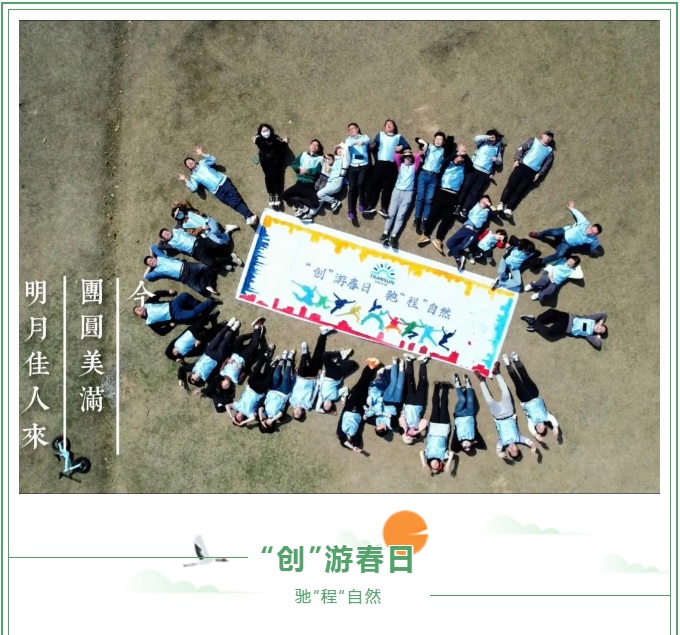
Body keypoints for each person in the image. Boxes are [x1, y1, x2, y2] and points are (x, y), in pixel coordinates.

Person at [176, 146, 258, 226]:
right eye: (187, 164)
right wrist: (186, 180)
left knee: (235, 199)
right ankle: (248, 216)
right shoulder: (193, 177)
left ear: (194, 161)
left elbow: (213, 160)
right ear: (188, 168)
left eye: (190, 161)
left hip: (224, 183)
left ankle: (250, 215)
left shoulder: (202, 163)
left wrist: (202, 154)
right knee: (232, 204)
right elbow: (194, 188)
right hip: (217, 192)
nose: (189, 163)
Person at [475, 362, 539, 461]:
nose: (513, 449)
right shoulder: (519, 438)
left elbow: (498, 449)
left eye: (511, 452)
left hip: (498, 416)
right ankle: (496, 373)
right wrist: (533, 446)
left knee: (489, 400)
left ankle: (481, 380)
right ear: (518, 448)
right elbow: (529, 442)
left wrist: (499, 453)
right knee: (506, 393)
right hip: (509, 412)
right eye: (515, 451)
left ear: (508, 450)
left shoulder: (502, 442)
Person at [502, 352, 560, 444]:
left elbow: (531, 429)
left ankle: (507, 364)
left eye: (537, 429)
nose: (538, 428)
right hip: (535, 394)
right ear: (545, 426)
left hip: (525, 399)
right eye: (541, 429)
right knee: (525, 376)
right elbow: (553, 420)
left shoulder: (532, 422)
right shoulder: (546, 417)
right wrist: (555, 427)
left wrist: (536, 435)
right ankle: (516, 359)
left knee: (516, 381)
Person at [496, 131, 555, 218]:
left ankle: (509, 208)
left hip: (532, 172)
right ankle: (501, 203)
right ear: (542, 135)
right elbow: (521, 148)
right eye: (547, 135)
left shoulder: (549, 151)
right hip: (521, 166)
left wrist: (539, 174)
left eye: (550, 137)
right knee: (510, 186)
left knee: (520, 191)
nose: (548, 138)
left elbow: (546, 165)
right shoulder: (533, 140)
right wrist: (516, 160)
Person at [424, 145, 470, 253]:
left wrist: (465, 155)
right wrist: (456, 153)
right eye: (458, 156)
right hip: (442, 192)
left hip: (453, 195)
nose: (460, 158)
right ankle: (426, 234)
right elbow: (445, 160)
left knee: (447, 219)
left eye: (462, 157)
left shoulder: (464, 167)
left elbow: (470, 164)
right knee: (433, 214)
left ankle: (439, 239)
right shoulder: (447, 164)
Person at [529, 200, 602, 265]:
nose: (591, 232)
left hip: (567, 244)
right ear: (591, 226)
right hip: (563, 233)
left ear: (595, 235)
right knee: (554, 232)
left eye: (593, 233)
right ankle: (538, 234)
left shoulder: (593, 240)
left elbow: (594, 247)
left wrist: (592, 250)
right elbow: (578, 215)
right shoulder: (584, 223)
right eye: (592, 229)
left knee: (560, 255)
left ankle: (540, 261)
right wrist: (571, 208)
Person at [177, 319, 240, 392]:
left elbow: (181, 369)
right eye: (195, 381)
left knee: (218, 337)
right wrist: (201, 390)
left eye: (192, 379)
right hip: (217, 357)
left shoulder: (194, 368)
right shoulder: (206, 378)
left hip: (208, 352)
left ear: (191, 375)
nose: (195, 379)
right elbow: (211, 387)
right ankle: (233, 329)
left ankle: (228, 326)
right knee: (223, 344)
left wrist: (180, 379)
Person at [366, 119, 411, 216]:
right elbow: (373, 145)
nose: (389, 125)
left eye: (391, 124)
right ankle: (370, 206)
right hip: (379, 163)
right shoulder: (380, 135)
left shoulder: (398, 137)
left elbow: (407, 146)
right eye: (387, 124)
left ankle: (384, 208)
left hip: (391, 165)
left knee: (387, 187)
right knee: (375, 185)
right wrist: (371, 145)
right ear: (384, 127)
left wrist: (401, 147)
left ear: (394, 127)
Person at [379, 148, 422, 249]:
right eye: (406, 156)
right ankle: (385, 232)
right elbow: (396, 156)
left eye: (409, 156)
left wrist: (411, 154)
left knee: (400, 216)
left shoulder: (414, 167)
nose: (408, 158)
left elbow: (417, 156)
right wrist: (404, 154)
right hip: (397, 191)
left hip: (408, 193)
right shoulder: (400, 166)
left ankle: (393, 236)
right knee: (391, 213)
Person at [289, 327, 335, 421]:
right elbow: (315, 391)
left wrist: (294, 375)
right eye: (298, 414)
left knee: (302, 364)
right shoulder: (309, 405)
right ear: (302, 413)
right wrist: (318, 377)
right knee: (318, 355)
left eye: (295, 413)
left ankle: (304, 352)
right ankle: (323, 334)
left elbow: (292, 387)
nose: (297, 412)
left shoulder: (291, 401)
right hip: (312, 377)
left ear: (293, 411)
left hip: (301, 377)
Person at [456, 130, 504, 217]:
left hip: (484, 173)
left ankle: (464, 210)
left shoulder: (497, 148)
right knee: (465, 187)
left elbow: (499, 162)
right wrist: (488, 137)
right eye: (490, 136)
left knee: (474, 192)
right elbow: (476, 138)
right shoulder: (482, 142)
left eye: (493, 137)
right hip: (474, 168)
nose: (491, 139)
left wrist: (496, 160)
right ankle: (457, 206)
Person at [336, 359, 381, 453]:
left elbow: (343, 440)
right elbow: (357, 442)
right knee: (366, 389)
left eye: (349, 442)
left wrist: (351, 447)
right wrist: (355, 447)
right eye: (351, 442)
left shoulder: (341, 432)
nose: (350, 441)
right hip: (360, 409)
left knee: (361, 384)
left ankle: (370, 366)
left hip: (350, 405)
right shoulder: (355, 435)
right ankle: (371, 369)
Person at [226, 346, 276, 427]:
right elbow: (253, 418)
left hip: (251, 387)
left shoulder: (237, 407)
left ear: (235, 415)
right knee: (267, 379)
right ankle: (273, 364)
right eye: (239, 421)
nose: (238, 419)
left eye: (236, 418)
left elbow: (227, 406)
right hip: (258, 391)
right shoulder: (249, 414)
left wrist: (231, 417)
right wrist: (243, 423)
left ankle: (266, 353)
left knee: (255, 371)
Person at [132, 290, 218, 336]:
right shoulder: (150, 322)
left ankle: (204, 309)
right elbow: (161, 332)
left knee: (184, 295)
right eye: (137, 311)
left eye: (138, 307)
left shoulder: (148, 304)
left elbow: (156, 294)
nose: (139, 309)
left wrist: (168, 293)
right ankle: (210, 301)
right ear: (139, 316)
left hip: (173, 304)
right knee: (193, 313)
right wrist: (170, 326)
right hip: (174, 315)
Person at [143, 245, 220, 296]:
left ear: (154, 257)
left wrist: (152, 256)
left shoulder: (161, 256)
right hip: (185, 278)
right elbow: (146, 276)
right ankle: (205, 282)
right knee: (200, 290)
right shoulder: (157, 271)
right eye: (150, 263)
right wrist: (149, 267)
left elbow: (152, 246)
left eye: (151, 260)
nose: (151, 262)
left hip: (188, 266)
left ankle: (208, 283)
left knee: (207, 266)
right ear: (150, 266)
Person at [444, 195, 493, 270]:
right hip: (464, 229)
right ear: (479, 201)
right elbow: (472, 196)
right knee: (449, 243)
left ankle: (457, 256)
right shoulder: (475, 206)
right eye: (484, 201)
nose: (485, 202)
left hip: (473, 232)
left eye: (487, 202)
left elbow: (496, 212)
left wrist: (489, 204)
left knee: (462, 247)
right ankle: (458, 256)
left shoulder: (487, 212)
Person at [218, 317, 268, 389]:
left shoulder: (222, 372)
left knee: (239, 339)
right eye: (226, 388)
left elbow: (224, 361)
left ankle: (255, 333)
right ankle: (257, 327)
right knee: (255, 345)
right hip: (243, 358)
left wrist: (228, 360)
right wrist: (242, 367)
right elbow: (245, 372)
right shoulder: (237, 381)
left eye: (223, 386)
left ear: (222, 382)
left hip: (235, 353)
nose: (225, 386)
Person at [157, 227, 241, 271]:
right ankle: (229, 260)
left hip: (199, 242)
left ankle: (228, 257)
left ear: (169, 230)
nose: (166, 234)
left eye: (166, 232)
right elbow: (159, 247)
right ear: (164, 239)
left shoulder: (176, 229)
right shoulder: (170, 244)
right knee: (211, 264)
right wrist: (163, 240)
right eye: (164, 235)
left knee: (216, 245)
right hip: (195, 252)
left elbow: (180, 220)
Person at [413, 131, 447, 235]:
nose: (438, 141)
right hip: (423, 174)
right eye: (437, 139)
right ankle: (417, 219)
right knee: (420, 198)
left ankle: (424, 220)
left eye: (440, 140)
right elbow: (417, 138)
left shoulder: (444, 151)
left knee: (429, 200)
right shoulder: (429, 146)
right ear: (433, 139)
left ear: (443, 142)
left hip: (434, 177)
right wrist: (425, 144)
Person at [301, 146, 346, 222]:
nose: (328, 160)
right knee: (315, 194)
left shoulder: (336, 163)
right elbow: (324, 158)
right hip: (324, 180)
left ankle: (310, 215)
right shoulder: (328, 162)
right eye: (337, 150)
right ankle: (307, 211)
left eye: (330, 159)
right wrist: (327, 157)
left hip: (328, 182)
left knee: (320, 197)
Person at [521, 310, 607, 349]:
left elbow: (598, 344)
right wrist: (601, 322)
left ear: (598, 333)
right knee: (551, 312)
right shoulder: (592, 319)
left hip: (566, 327)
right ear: (599, 324)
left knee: (549, 333)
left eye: (600, 331)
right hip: (567, 317)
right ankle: (536, 324)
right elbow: (604, 314)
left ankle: (533, 322)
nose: (599, 328)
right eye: (601, 327)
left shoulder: (590, 335)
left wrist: (598, 335)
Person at [419, 382, 455, 476]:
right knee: (443, 407)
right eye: (437, 467)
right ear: (440, 464)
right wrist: (448, 464)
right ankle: (445, 387)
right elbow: (451, 453)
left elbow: (421, 452)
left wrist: (424, 464)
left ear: (429, 465)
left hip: (433, 427)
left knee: (435, 406)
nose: (435, 465)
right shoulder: (443, 456)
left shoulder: (427, 455)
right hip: (444, 428)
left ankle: (436, 386)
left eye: (433, 467)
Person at [252, 123, 290, 211]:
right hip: (264, 162)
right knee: (268, 178)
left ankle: (276, 196)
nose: (265, 132)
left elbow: (281, 143)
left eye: (267, 130)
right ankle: (270, 196)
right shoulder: (259, 140)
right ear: (260, 132)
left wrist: (284, 141)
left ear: (270, 130)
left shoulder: (275, 138)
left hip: (275, 161)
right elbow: (254, 139)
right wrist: (256, 137)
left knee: (275, 178)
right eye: (263, 131)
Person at [281, 139, 324, 216]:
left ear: (318, 149)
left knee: (315, 205)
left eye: (317, 145)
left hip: (309, 185)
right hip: (299, 184)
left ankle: (298, 199)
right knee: (284, 195)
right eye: (313, 144)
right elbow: (294, 163)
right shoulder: (303, 154)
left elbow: (318, 170)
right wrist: (300, 168)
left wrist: (307, 171)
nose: (314, 146)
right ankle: (301, 207)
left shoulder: (320, 158)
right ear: (310, 145)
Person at [366, 357, 405, 437]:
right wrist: (382, 413)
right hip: (396, 403)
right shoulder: (392, 426)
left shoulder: (376, 421)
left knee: (393, 383)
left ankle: (394, 363)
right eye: (380, 426)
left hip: (386, 400)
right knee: (400, 386)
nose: (379, 424)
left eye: (377, 426)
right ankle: (401, 368)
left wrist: (369, 412)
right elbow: (393, 418)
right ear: (385, 429)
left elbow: (367, 419)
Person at [341, 123, 372, 223]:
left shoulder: (364, 137)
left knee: (360, 183)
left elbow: (367, 140)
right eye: (349, 129)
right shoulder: (348, 140)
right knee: (352, 189)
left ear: (357, 129)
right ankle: (351, 211)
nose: (351, 130)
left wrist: (361, 142)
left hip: (364, 165)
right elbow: (347, 146)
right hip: (352, 166)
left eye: (353, 128)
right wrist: (353, 143)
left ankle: (361, 202)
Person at [258, 350, 295, 433]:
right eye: (268, 425)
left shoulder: (263, 413)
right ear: (272, 426)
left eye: (265, 424)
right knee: (286, 377)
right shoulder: (278, 418)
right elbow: (283, 414)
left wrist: (261, 420)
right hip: (283, 393)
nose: (267, 423)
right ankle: (289, 360)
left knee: (276, 376)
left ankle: (282, 360)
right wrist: (272, 420)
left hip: (272, 390)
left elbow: (260, 408)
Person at [171, 201, 238, 246]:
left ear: (180, 210)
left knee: (215, 231)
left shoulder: (188, 210)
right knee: (220, 242)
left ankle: (225, 235)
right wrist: (202, 228)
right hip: (206, 231)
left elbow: (185, 202)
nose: (179, 215)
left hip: (208, 221)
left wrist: (179, 205)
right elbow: (194, 233)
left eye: (178, 212)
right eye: (177, 215)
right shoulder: (184, 225)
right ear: (177, 218)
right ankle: (227, 231)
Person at [314, 348, 358, 414]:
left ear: (323, 404)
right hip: (337, 376)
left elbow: (317, 409)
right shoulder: (335, 397)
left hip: (328, 374)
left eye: (325, 406)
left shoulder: (321, 397)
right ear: (332, 404)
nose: (327, 405)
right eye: (329, 407)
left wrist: (328, 412)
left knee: (325, 355)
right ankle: (338, 360)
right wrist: (344, 398)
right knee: (353, 364)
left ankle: (341, 353)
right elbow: (345, 388)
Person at [399, 354, 430, 444]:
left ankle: (409, 361)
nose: (411, 434)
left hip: (409, 402)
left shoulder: (404, 425)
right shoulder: (417, 426)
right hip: (419, 403)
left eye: (409, 435)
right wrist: (418, 431)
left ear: (405, 434)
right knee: (423, 382)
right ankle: (422, 363)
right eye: (412, 436)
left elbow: (401, 418)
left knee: (409, 381)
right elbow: (425, 421)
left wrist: (405, 429)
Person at [451, 373, 479, 453]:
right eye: (469, 447)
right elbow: (482, 445)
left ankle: (457, 384)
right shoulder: (473, 437)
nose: (467, 445)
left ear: (461, 445)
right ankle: (468, 384)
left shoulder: (458, 438)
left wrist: (460, 444)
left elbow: (453, 448)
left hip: (459, 414)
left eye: (465, 447)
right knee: (470, 400)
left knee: (463, 400)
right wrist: (473, 442)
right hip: (469, 414)